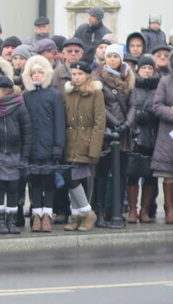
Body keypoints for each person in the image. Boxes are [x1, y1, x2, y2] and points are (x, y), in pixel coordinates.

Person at [0, 75, 34, 234]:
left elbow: (27, 132)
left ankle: (11, 219)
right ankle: (0, 221)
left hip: (15, 152)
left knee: (13, 188)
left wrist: (25, 156)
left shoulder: (20, 106)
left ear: (7, 91)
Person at [92, 44, 135, 226]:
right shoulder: (98, 78)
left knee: (120, 174)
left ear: (121, 58)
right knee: (102, 174)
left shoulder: (129, 78)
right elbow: (100, 105)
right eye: (109, 56)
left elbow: (133, 104)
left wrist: (126, 125)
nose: (112, 59)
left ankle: (115, 210)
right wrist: (117, 124)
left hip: (124, 134)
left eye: (115, 56)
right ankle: (99, 211)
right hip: (106, 132)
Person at [21, 55, 65, 232]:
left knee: (49, 181)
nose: (37, 75)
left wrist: (58, 147)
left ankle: (47, 214)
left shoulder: (54, 94)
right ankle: (36, 214)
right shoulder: (26, 95)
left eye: (40, 72)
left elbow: (59, 123)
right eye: (34, 73)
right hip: (32, 146)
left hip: (48, 146)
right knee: (34, 182)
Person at [61, 62, 105, 231]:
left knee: (75, 179)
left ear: (87, 74)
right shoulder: (68, 92)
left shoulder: (95, 92)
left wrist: (93, 148)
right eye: (73, 74)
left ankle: (87, 213)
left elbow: (99, 122)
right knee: (71, 178)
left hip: (85, 142)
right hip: (70, 141)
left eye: (80, 73)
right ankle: (78, 215)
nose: (76, 77)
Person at [127, 55, 159, 223]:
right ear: (138, 69)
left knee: (150, 175)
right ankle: (133, 209)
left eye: (150, 68)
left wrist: (150, 114)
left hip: (153, 135)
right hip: (135, 135)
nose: (147, 71)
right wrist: (136, 116)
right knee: (132, 173)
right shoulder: (131, 86)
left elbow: (160, 105)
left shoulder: (158, 87)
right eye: (144, 68)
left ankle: (145, 210)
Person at [151, 52, 173, 223]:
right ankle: (169, 209)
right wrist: (170, 111)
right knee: (168, 174)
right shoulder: (165, 81)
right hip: (169, 133)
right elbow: (157, 106)